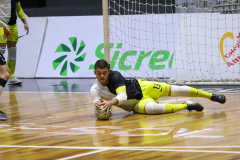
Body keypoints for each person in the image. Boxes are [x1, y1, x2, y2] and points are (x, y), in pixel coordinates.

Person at [90, 59, 226, 115]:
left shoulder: (115, 76)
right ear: (95, 73)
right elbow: (98, 103)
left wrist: (110, 103)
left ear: (109, 71)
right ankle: (187, 105)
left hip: (143, 87)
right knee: (154, 109)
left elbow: (122, 96)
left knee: (176, 90)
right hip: (135, 105)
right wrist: (102, 111)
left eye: (104, 73)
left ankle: (211, 96)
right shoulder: (94, 90)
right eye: (99, 73)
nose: (102, 76)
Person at [0, 0, 29, 85]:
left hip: (13, 25)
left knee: (12, 50)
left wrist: (25, 22)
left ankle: (11, 76)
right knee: (1, 50)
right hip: (2, 24)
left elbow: (19, 8)